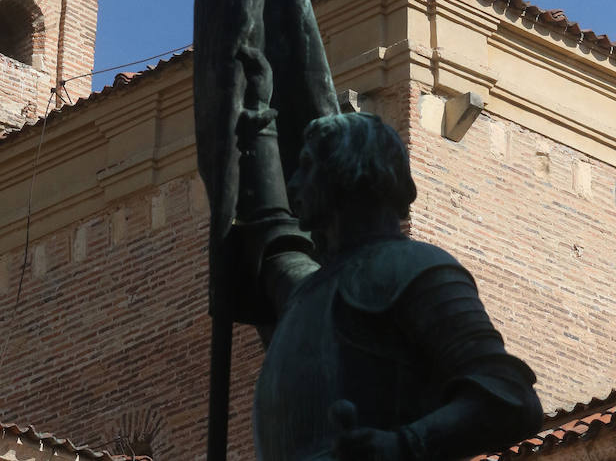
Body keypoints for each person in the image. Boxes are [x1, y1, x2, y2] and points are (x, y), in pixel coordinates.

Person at [232, 58, 544, 461]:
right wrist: (254, 116)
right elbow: (275, 236)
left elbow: (510, 398)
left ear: (345, 173)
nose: (293, 184)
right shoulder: (307, 292)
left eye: (306, 169)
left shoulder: (416, 270)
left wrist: (402, 445)